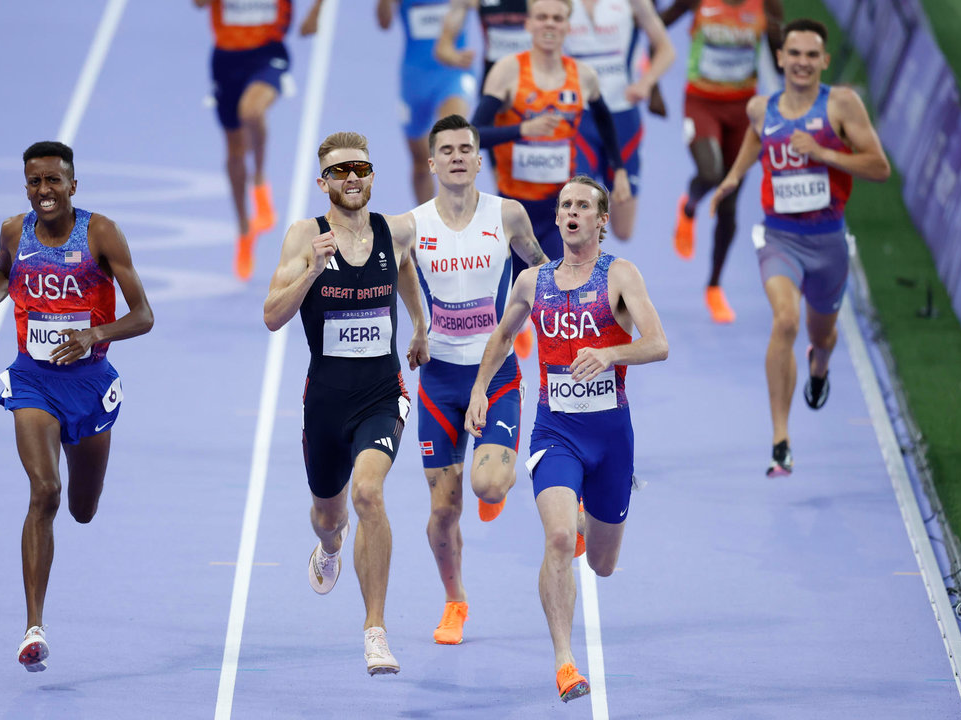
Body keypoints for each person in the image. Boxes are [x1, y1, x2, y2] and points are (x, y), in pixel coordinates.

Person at [465, 175, 667, 701]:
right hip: (555, 432)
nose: (572, 212)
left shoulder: (620, 275)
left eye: (583, 205)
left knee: (602, 564)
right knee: (556, 540)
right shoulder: (533, 282)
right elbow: (503, 335)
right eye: (565, 206)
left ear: (602, 220)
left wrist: (611, 354)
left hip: (611, 438)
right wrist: (481, 389)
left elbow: (659, 344)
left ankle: (588, 516)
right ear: (556, 219)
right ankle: (564, 662)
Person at [0, 141, 154, 672]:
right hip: (34, 381)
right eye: (35, 182)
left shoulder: (101, 233)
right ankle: (33, 627)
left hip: (90, 385)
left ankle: (80, 482)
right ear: (25, 185)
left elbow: (143, 315)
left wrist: (96, 331)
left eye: (54, 181)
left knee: (81, 509)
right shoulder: (13, 229)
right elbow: (4, 270)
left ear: (73, 185)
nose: (44, 191)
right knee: (44, 491)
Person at [262, 131, 429, 676]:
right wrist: (311, 270)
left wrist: (421, 325)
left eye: (359, 168)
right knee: (329, 516)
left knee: (369, 493)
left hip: (383, 395)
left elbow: (404, 269)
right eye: (339, 171)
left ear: (373, 175)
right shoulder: (302, 237)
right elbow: (271, 315)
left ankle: (375, 631)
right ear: (323, 183)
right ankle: (330, 547)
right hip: (326, 404)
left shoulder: (395, 230)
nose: (351, 178)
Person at [709, 18, 890, 475]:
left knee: (820, 335)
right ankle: (780, 439)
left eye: (813, 55)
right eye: (795, 54)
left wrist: (824, 153)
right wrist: (733, 178)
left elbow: (879, 166)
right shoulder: (760, 108)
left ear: (824, 61)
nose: (803, 63)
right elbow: (756, 137)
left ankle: (819, 365)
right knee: (785, 320)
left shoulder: (842, 105)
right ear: (780, 58)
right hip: (779, 237)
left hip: (827, 241)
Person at [404, 115, 547, 645]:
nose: (459, 156)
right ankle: (454, 602)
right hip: (438, 382)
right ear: (432, 162)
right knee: (443, 512)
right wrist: (419, 324)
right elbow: (381, 256)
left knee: (487, 484)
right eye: (448, 150)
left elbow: (540, 270)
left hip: (498, 374)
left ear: (479, 159)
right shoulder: (413, 225)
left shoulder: (507, 215)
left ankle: (498, 475)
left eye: (467, 148)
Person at [471, 0, 632, 357]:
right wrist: (522, 128)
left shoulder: (583, 76)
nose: (549, 24)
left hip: (561, 207)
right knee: (513, 287)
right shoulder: (507, 71)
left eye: (557, 18)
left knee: (566, 285)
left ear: (567, 26)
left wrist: (618, 168)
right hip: (515, 204)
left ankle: (567, 353)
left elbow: (606, 124)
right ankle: (517, 327)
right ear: (528, 24)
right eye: (542, 17)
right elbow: (474, 134)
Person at [662, 0, 783, 322]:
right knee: (711, 172)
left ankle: (714, 287)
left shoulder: (767, 4)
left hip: (744, 109)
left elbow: (780, 60)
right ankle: (689, 207)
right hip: (701, 102)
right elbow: (657, 25)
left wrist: (779, 38)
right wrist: (652, 85)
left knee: (729, 203)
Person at [194, 0, 326, 280]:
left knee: (251, 111)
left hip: (268, 53)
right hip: (227, 60)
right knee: (234, 150)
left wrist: (316, 12)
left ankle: (260, 181)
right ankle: (243, 230)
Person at [565, 0, 676, 240]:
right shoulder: (560, 4)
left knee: (623, 230)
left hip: (622, 118)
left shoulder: (633, 2)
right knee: (578, 214)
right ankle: (584, 273)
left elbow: (667, 49)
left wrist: (645, 83)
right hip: (579, 118)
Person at [376, 0, 477, 205]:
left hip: (453, 72)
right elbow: (384, 22)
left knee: (453, 139)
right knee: (421, 164)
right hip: (415, 79)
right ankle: (424, 225)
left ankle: (454, 222)